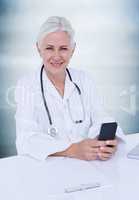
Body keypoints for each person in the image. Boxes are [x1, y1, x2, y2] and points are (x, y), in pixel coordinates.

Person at [15, 16, 125, 161]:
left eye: (63, 49)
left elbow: (101, 117)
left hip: (88, 165)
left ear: (72, 50)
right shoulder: (26, 85)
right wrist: (72, 150)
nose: (56, 56)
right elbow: (25, 139)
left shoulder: (84, 79)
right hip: (46, 171)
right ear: (38, 49)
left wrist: (105, 143)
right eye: (49, 48)